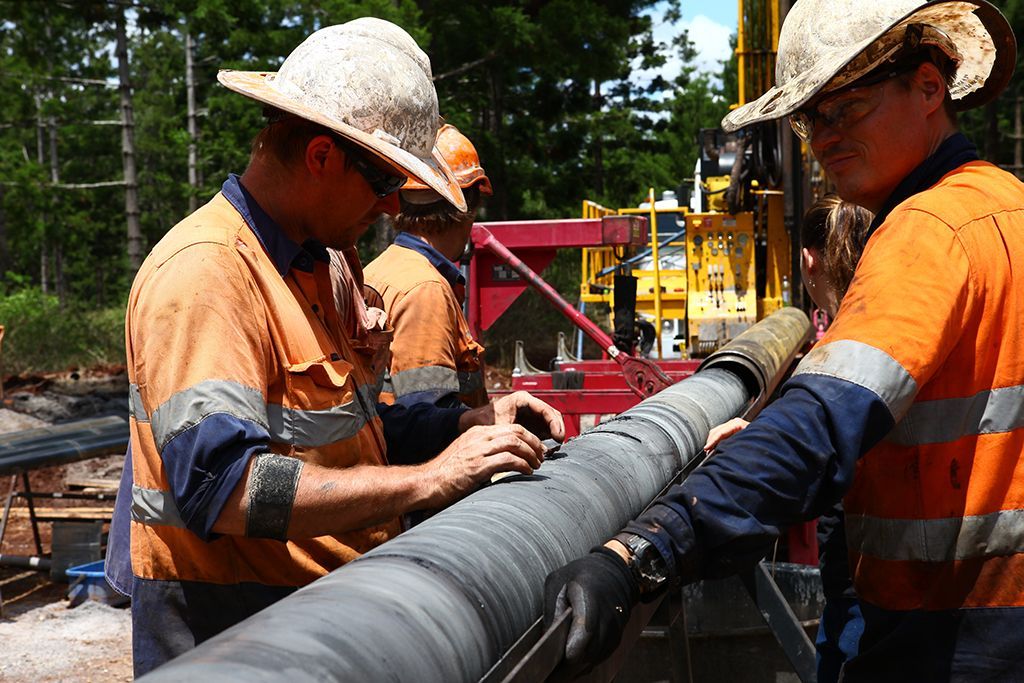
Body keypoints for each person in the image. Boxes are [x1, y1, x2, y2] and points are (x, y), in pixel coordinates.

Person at [544, 1, 1024, 679]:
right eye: (810, 118)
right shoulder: (1003, 206)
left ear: (927, 88)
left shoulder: (927, 230)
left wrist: (645, 550)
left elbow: (824, 419)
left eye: (846, 108)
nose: (823, 137)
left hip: (959, 638)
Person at [105, 19, 563, 676]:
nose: (388, 209)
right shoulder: (208, 271)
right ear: (321, 156)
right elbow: (226, 487)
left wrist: (471, 423)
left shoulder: (314, 267)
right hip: (236, 638)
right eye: (382, 183)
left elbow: (348, 439)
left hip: (315, 620)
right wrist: (431, 479)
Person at [704, 194, 872, 683]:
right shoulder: (882, 329)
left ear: (808, 260)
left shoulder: (840, 349)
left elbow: (822, 448)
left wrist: (756, 446)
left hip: (861, 586)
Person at [365, 123, 492, 409]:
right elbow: (430, 421)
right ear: (466, 208)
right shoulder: (425, 290)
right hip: (425, 456)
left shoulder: (378, 269)